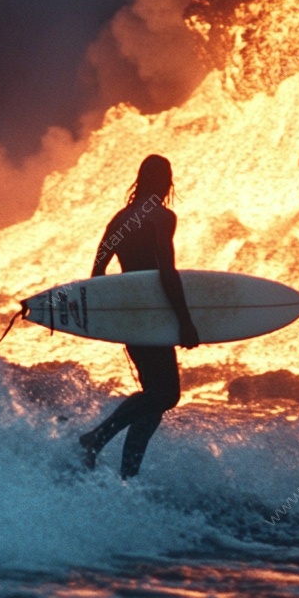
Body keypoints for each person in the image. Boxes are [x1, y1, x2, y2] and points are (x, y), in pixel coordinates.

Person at [78, 154, 200, 478]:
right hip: (153, 315)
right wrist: (185, 321)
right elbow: (167, 272)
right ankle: (95, 438)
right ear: (163, 181)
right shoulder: (161, 218)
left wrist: (112, 317)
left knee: (154, 398)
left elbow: (97, 274)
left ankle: (128, 474)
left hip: (129, 318)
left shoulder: (120, 219)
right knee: (167, 394)